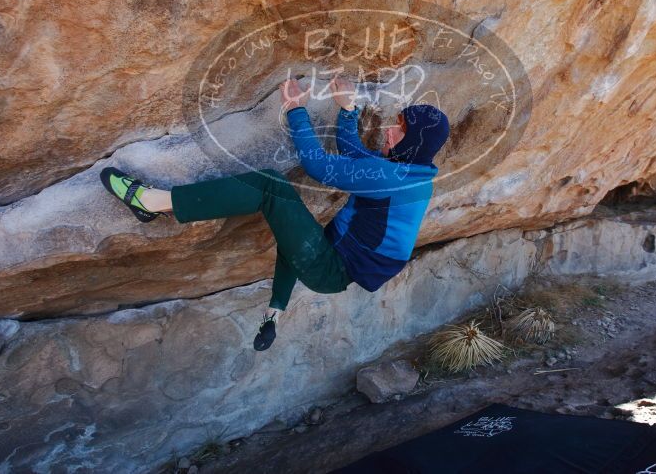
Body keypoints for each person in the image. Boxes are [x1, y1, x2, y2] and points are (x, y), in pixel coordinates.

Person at [100, 76, 450, 351]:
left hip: (331, 268)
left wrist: (295, 109)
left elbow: (317, 165)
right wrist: (348, 110)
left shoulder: (395, 180)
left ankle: (151, 202)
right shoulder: (413, 173)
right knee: (291, 230)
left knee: (272, 188)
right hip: (332, 253)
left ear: (414, 142)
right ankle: (274, 312)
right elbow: (354, 153)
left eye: (400, 129)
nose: (390, 129)